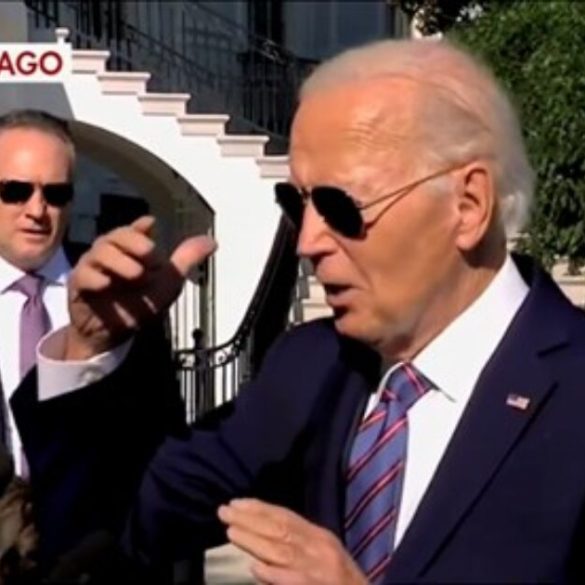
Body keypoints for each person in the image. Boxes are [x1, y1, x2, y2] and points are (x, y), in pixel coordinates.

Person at [14, 38, 585, 583]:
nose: (308, 241)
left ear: (467, 205)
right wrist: (91, 348)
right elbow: (126, 527)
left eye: (340, 205)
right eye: (296, 202)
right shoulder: (311, 366)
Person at [0, 109, 186, 578]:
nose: (37, 210)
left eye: (55, 193)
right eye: (16, 191)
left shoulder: (118, 296)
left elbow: (163, 457)